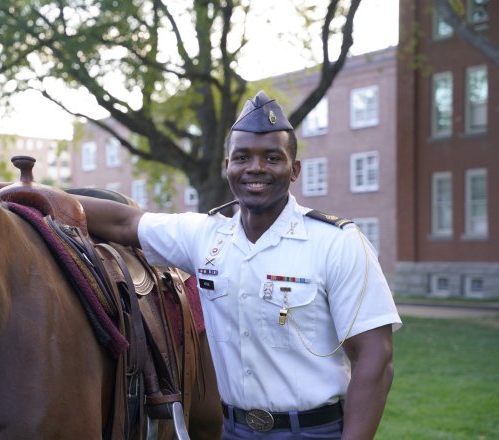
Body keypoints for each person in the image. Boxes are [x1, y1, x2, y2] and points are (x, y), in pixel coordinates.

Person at [76, 91, 402, 439]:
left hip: (313, 431)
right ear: (227, 166)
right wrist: (27, 194)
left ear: (294, 170)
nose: (255, 168)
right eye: (242, 157)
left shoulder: (337, 243)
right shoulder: (206, 237)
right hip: (233, 430)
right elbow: (125, 223)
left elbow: (375, 359)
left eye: (272, 158)